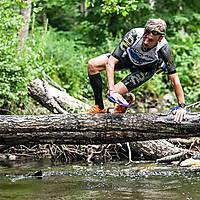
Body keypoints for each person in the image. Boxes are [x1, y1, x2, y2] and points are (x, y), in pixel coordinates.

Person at [87, 18, 187, 122]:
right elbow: (111, 61)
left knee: (112, 93)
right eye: (145, 37)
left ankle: (124, 101)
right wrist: (112, 90)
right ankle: (99, 107)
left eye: (151, 40)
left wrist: (182, 106)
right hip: (128, 58)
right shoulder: (134, 34)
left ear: (160, 38)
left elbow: (174, 79)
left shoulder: (164, 49)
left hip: (145, 69)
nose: (146, 42)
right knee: (93, 65)